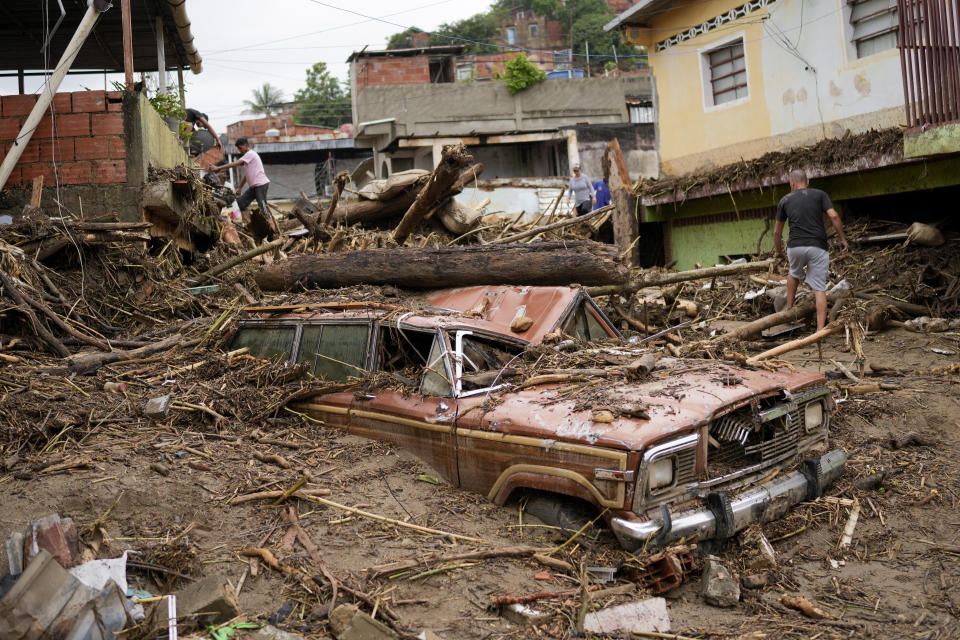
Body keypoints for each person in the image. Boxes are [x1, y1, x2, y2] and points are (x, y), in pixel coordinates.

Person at [773, 169, 849, 332]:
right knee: (819, 288)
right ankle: (820, 330)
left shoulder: (785, 200)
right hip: (818, 246)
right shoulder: (820, 194)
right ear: (807, 182)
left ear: (791, 184)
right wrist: (842, 238)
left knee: (794, 273)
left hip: (795, 246)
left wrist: (779, 251)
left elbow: (777, 231)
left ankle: (789, 309)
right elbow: (834, 216)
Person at [217, 138, 274, 236]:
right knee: (241, 203)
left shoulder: (250, 154)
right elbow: (246, 176)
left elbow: (235, 163)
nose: (240, 150)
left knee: (263, 207)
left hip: (261, 185)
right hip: (254, 187)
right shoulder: (248, 158)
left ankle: (272, 229)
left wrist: (218, 168)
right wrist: (239, 188)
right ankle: (249, 225)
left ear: (246, 145)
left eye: (240, 148)